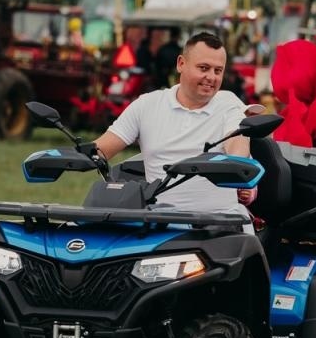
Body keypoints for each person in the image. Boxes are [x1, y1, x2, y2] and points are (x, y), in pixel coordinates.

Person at [94, 31, 255, 218]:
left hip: (220, 222)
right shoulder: (147, 105)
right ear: (181, 64)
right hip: (159, 222)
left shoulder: (229, 103)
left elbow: (237, 141)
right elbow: (100, 150)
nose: (211, 77)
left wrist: (237, 162)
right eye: (203, 68)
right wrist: (69, 157)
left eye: (217, 71)